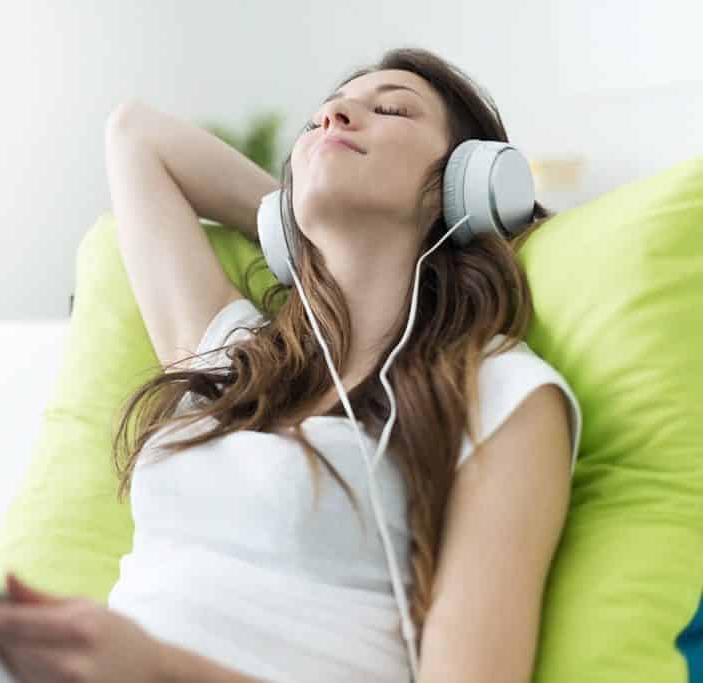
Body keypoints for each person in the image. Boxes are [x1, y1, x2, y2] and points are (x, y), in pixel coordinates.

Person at [104, 47, 582, 682]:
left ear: (467, 183)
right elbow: (134, 135)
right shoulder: (237, 355)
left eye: (390, 109)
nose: (333, 116)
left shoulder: (501, 395)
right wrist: (291, 220)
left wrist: (160, 668)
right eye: (319, 120)